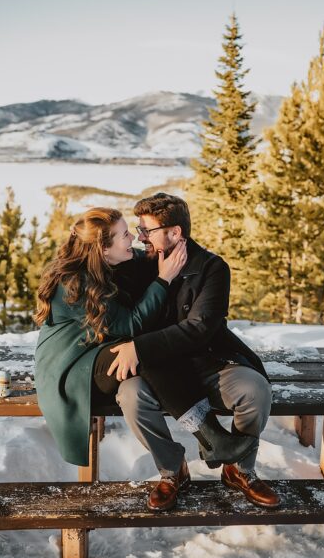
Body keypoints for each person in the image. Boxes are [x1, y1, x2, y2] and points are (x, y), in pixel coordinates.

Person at [33, 208, 255, 493]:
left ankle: (211, 438)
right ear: (103, 248)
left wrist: (190, 256)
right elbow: (130, 325)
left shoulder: (99, 264)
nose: (133, 239)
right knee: (140, 350)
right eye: (125, 235)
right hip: (73, 368)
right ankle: (211, 436)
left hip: (93, 355)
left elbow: (141, 258)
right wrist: (163, 280)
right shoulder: (75, 282)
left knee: (142, 350)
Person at [107, 193, 280, 512]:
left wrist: (140, 346)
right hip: (156, 372)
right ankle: (173, 471)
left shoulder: (212, 268)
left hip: (208, 364)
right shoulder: (139, 265)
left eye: (147, 230)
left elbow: (200, 329)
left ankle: (239, 468)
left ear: (174, 233)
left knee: (255, 390)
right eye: (139, 230)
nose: (141, 237)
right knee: (131, 397)